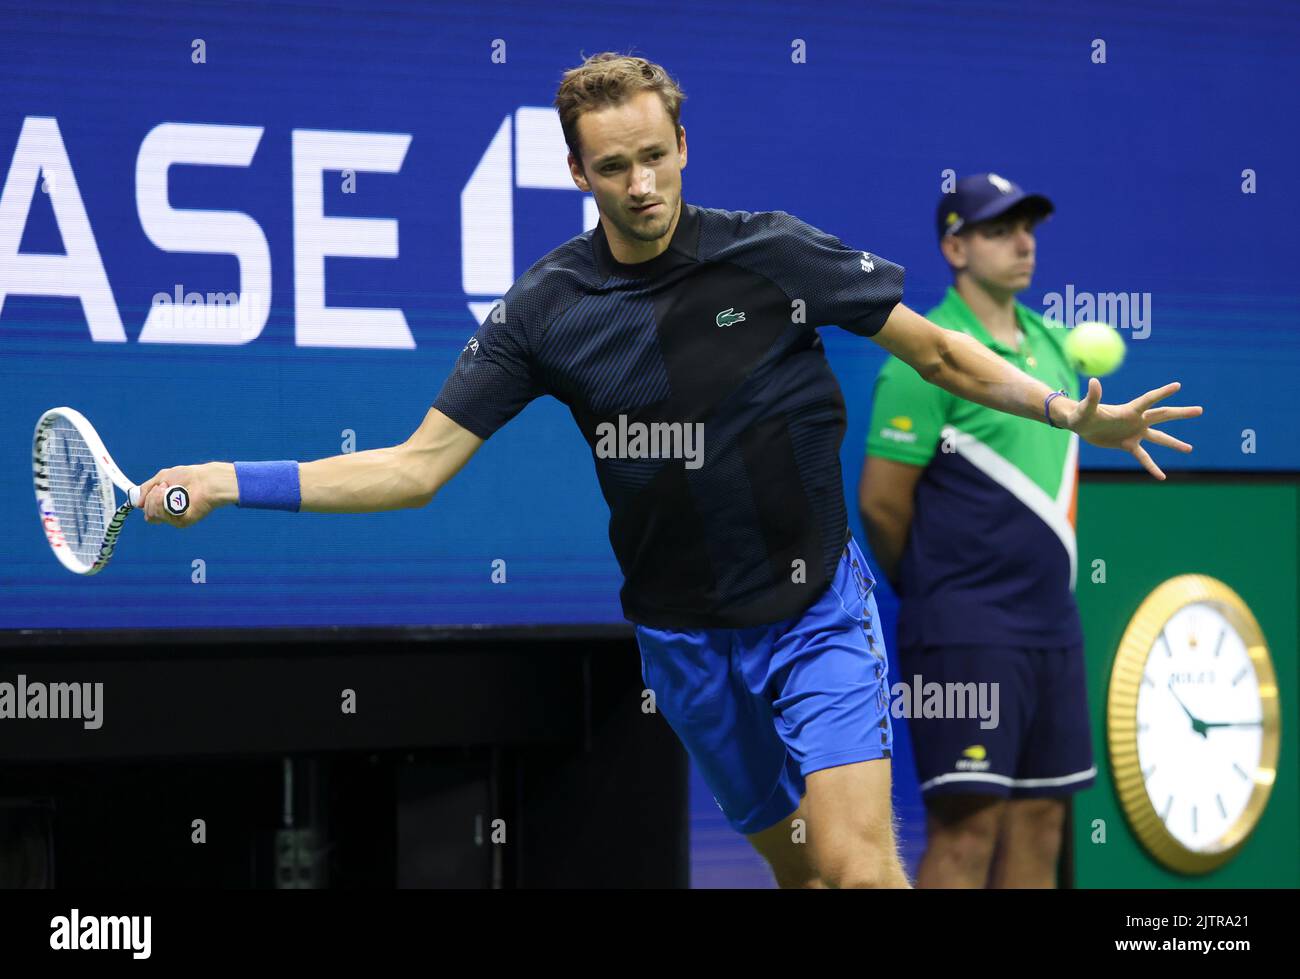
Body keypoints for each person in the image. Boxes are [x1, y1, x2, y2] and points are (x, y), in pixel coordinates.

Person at [136, 56, 1201, 889]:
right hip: (685, 642)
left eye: (655, 156)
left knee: (859, 864)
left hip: (814, 609)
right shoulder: (544, 311)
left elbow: (932, 349)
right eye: (612, 166)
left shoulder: (771, 253)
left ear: (684, 144)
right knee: (801, 871)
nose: (640, 185)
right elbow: (415, 470)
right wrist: (230, 477)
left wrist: (1067, 412)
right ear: (576, 173)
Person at [860, 173, 1096, 887]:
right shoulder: (927, 355)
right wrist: (940, 593)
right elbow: (881, 505)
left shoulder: (1060, 351)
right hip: (964, 629)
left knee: (1042, 824)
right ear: (954, 246)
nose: (1023, 243)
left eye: (1027, 227)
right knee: (967, 831)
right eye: (999, 230)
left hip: (1053, 628)